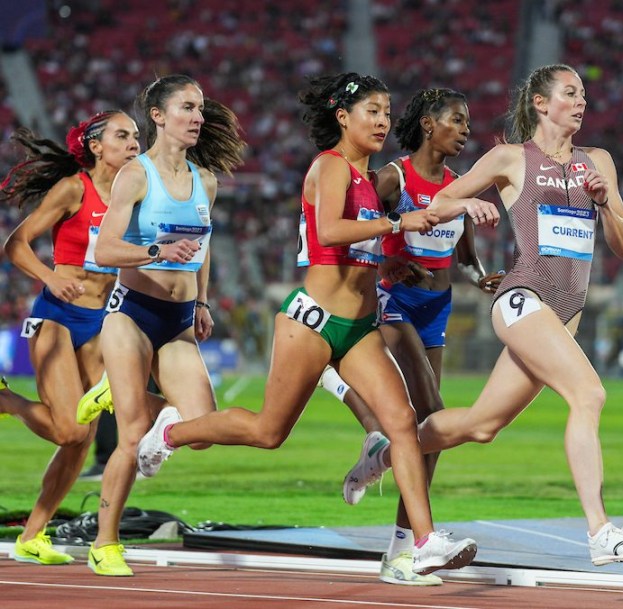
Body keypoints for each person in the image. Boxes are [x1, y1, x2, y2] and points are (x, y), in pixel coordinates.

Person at [136, 73, 478, 578]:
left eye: (386, 112)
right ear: (343, 117)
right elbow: (329, 232)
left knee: (403, 422)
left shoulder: (368, 177)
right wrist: (396, 223)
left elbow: (354, 249)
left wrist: (387, 264)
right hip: (312, 323)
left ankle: (423, 542)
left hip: (360, 327)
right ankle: (173, 431)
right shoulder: (331, 166)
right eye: (372, 112)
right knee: (267, 431)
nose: (383, 121)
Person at [347, 64, 623, 567]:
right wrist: (469, 204)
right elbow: (442, 198)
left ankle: (380, 456)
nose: (582, 102)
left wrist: (605, 205)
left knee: (480, 424)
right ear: (540, 102)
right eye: (571, 93)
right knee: (589, 393)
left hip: (564, 315)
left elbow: (621, 245)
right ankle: (600, 531)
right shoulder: (512, 158)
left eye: (584, 95)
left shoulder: (598, 161)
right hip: (522, 299)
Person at [318, 87, 501, 586]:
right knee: (434, 412)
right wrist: (390, 261)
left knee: (431, 435)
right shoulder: (392, 177)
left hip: (437, 307)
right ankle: (416, 544)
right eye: (457, 121)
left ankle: (399, 545)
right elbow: (356, 231)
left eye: (467, 123)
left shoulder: (460, 185)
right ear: (427, 124)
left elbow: (463, 253)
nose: (465, 130)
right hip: (392, 301)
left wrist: (480, 276)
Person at [82, 74, 245, 576]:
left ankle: (129, 396)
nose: (198, 116)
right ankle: (104, 544)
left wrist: (202, 302)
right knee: (132, 433)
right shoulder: (136, 174)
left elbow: (205, 244)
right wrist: (155, 249)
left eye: (200, 108)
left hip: (177, 321)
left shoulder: (206, 180)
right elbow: (104, 249)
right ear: (158, 115)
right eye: (187, 107)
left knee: (199, 430)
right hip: (131, 314)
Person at [0, 112, 141, 565]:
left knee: (82, 438)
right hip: (56, 316)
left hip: (102, 321)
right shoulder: (73, 189)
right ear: (96, 146)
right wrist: (48, 277)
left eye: (137, 136)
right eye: (123, 135)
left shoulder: (134, 193)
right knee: (68, 428)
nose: (134, 143)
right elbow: (16, 243)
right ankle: (5, 401)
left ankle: (33, 536)